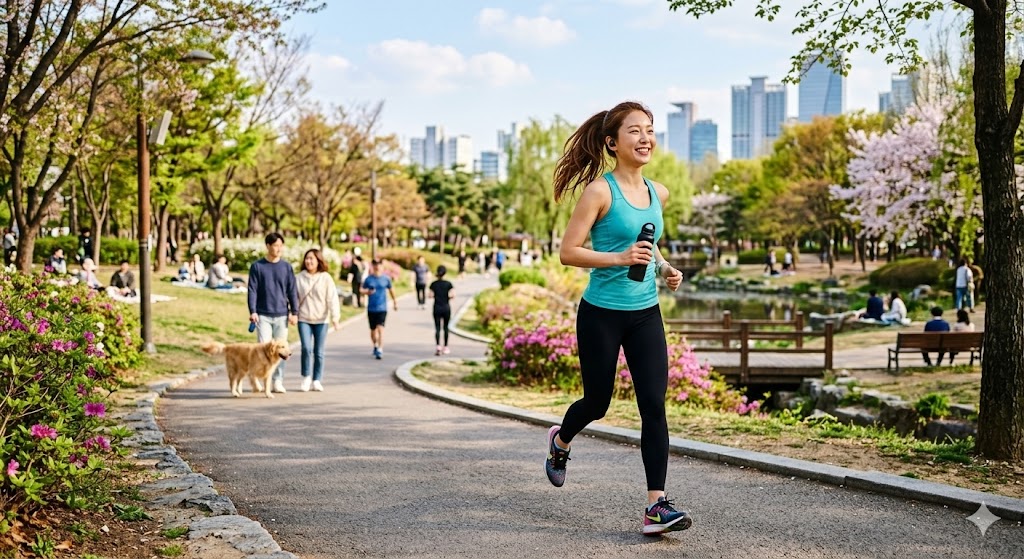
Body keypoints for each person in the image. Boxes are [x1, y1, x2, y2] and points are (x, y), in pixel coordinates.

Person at [544, 101, 690, 536]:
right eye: (634, 131)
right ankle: (560, 441)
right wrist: (618, 258)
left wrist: (664, 269)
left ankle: (655, 505)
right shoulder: (599, 192)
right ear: (612, 142)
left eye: (650, 130)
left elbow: (649, 243)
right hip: (601, 314)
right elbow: (569, 251)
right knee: (598, 402)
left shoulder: (658, 192)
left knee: (653, 404)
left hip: (646, 313)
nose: (645, 138)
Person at [247, 232, 299, 393]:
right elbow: (252, 290)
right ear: (268, 246)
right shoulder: (257, 267)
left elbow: (292, 291)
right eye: (276, 245)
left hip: (282, 315)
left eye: (281, 246)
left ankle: (277, 381)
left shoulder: (286, 267)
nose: (278, 249)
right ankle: (258, 378)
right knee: (263, 350)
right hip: (262, 315)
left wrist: (294, 312)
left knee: (282, 351)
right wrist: (253, 311)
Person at [296, 248, 341, 392]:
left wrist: (335, 317)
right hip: (303, 318)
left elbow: (332, 298)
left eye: (312, 259)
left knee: (319, 351)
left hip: (322, 319)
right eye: (307, 258)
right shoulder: (299, 277)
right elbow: (294, 297)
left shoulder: (325, 277)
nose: (309, 261)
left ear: (318, 261)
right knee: (306, 348)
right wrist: (292, 313)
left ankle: (316, 379)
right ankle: (306, 377)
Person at [360, 259, 397, 359]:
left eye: (379, 265)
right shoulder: (369, 279)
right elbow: (361, 290)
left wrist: (395, 302)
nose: (377, 267)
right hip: (371, 308)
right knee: (373, 331)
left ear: (382, 266)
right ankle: (375, 345)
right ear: (373, 266)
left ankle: (380, 349)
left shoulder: (386, 279)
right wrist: (366, 292)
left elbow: (391, 290)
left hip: (382, 308)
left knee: (380, 329)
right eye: (375, 265)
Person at [429, 265, 455, 355]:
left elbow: (430, 295)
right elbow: (452, 295)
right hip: (446, 307)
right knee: (445, 328)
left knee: (437, 328)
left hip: (436, 307)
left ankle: (438, 346)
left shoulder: (433, 284)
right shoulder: (449, 284)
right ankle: (446, 347)